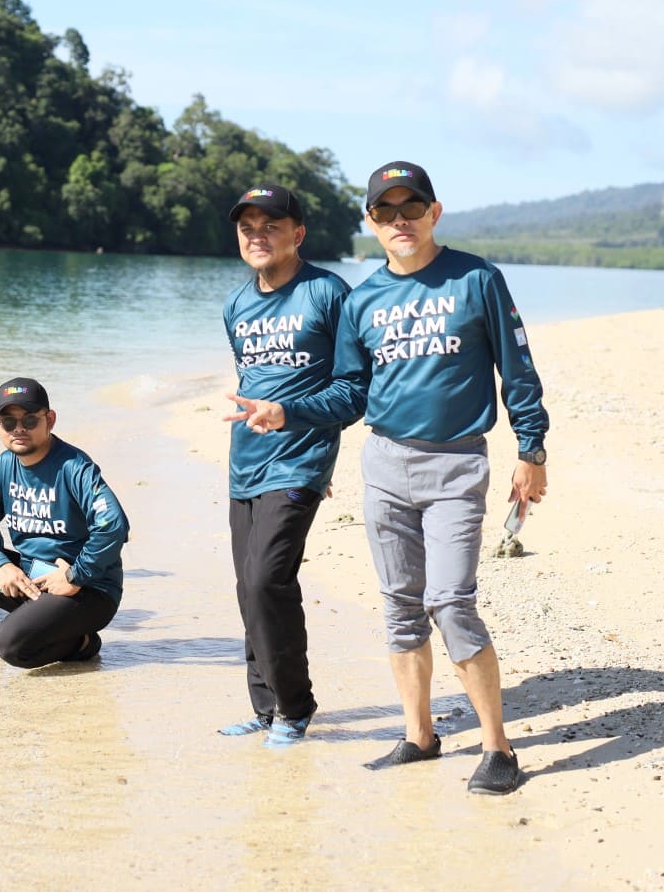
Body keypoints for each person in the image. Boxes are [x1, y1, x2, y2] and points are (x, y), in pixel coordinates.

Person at [231, 160, 549, 794]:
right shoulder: (364, 299)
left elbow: (517, 367)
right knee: (402, 607)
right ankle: (419, 736)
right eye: (385, 212)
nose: (399, 221)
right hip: (383, 462)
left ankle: (498, 749)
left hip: (457, 462)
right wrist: (287, 410)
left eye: (411, 209)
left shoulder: (476, 279)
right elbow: (349, 394)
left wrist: (531, 448)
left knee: (451, 602)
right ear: (370, 222)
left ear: (433, 213)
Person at [216, 185, 355, 748]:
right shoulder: (235, 304)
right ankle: (265, 702)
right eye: (247, 226)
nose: (257, 235)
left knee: (269, 578)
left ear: (297, 233)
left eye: (270, 225)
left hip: (300, 460)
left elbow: (352, 392)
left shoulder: (328, 293)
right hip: (243, 464)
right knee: (247, 585)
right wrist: (260, 411)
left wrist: (287, 412)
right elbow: (252, 381)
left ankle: (295, 709)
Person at [0, 378, 128, 667]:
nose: (19, 429)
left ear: (50, 420)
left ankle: (82, 644)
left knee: (13, 646)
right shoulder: (4, 466)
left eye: (30, 420)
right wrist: (0, 566)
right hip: (32, 578)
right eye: (9, 422)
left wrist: (77, 575)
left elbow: (113, 524)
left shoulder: (74, 467)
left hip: (87, 589)